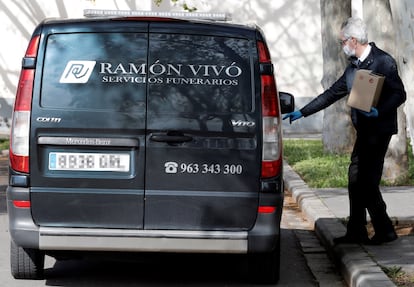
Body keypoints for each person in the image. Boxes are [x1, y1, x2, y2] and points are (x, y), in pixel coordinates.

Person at [283, 17, 406, 245]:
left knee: (367, 183)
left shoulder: (383, 61)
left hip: (379, 132)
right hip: (364, 132)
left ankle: (385, 229)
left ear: (352, 40)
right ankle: (356, 231)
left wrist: (379, 111)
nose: (342, 46)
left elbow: (400, 94)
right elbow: (331, 93)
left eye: (342, 42)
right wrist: (302, 112)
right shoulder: (353, 67)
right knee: (354, 179)